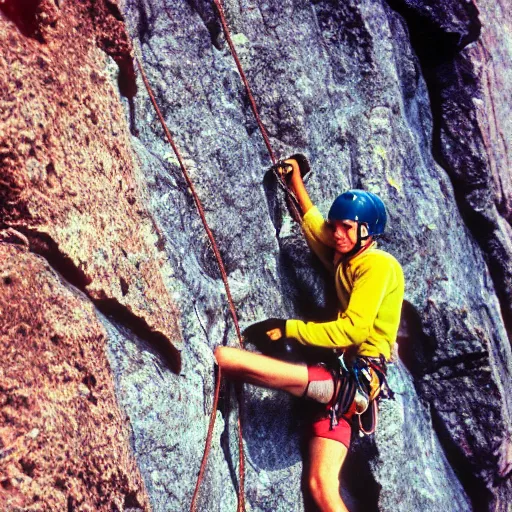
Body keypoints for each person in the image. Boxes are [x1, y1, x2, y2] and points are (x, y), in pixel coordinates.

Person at [215, 155, 404, 512]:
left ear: (367, 231)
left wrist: (290, 329)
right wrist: (295, 179)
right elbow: (314, 224)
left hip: (351, 381)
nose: (338, 234)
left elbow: (353, 329)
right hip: (346, 395)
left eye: (347, 228)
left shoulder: (379, 266)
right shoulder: (345, 256)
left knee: (225, 358)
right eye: (337, 227)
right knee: (321, 487)